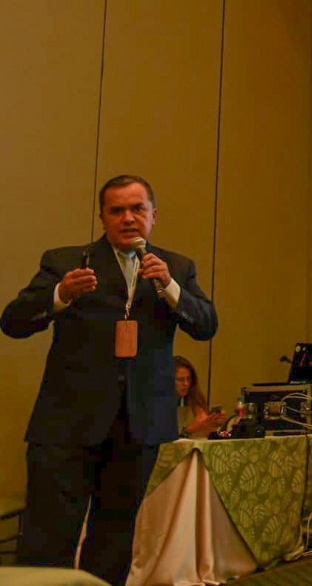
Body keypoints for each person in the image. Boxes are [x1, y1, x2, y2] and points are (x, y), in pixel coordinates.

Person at [2, 175, 218, 585]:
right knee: (48, 538)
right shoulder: (67, 261)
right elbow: (12, 322)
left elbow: (207, 325)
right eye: (117, 210)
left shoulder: (177, 268)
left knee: (114, 539)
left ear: (154, 216)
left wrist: (170, 287)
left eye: (138, 209)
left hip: (137, 427)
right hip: (67, 425)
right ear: (102, 217)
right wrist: (60, 296)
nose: (128, 218)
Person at [175, 355, 225, 440]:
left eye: (189, 379)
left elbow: (205, 433)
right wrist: (191, 429)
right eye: (180, 380)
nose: (186, 384)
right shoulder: (158, 403)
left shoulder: (194, 398)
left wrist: (214, 425)